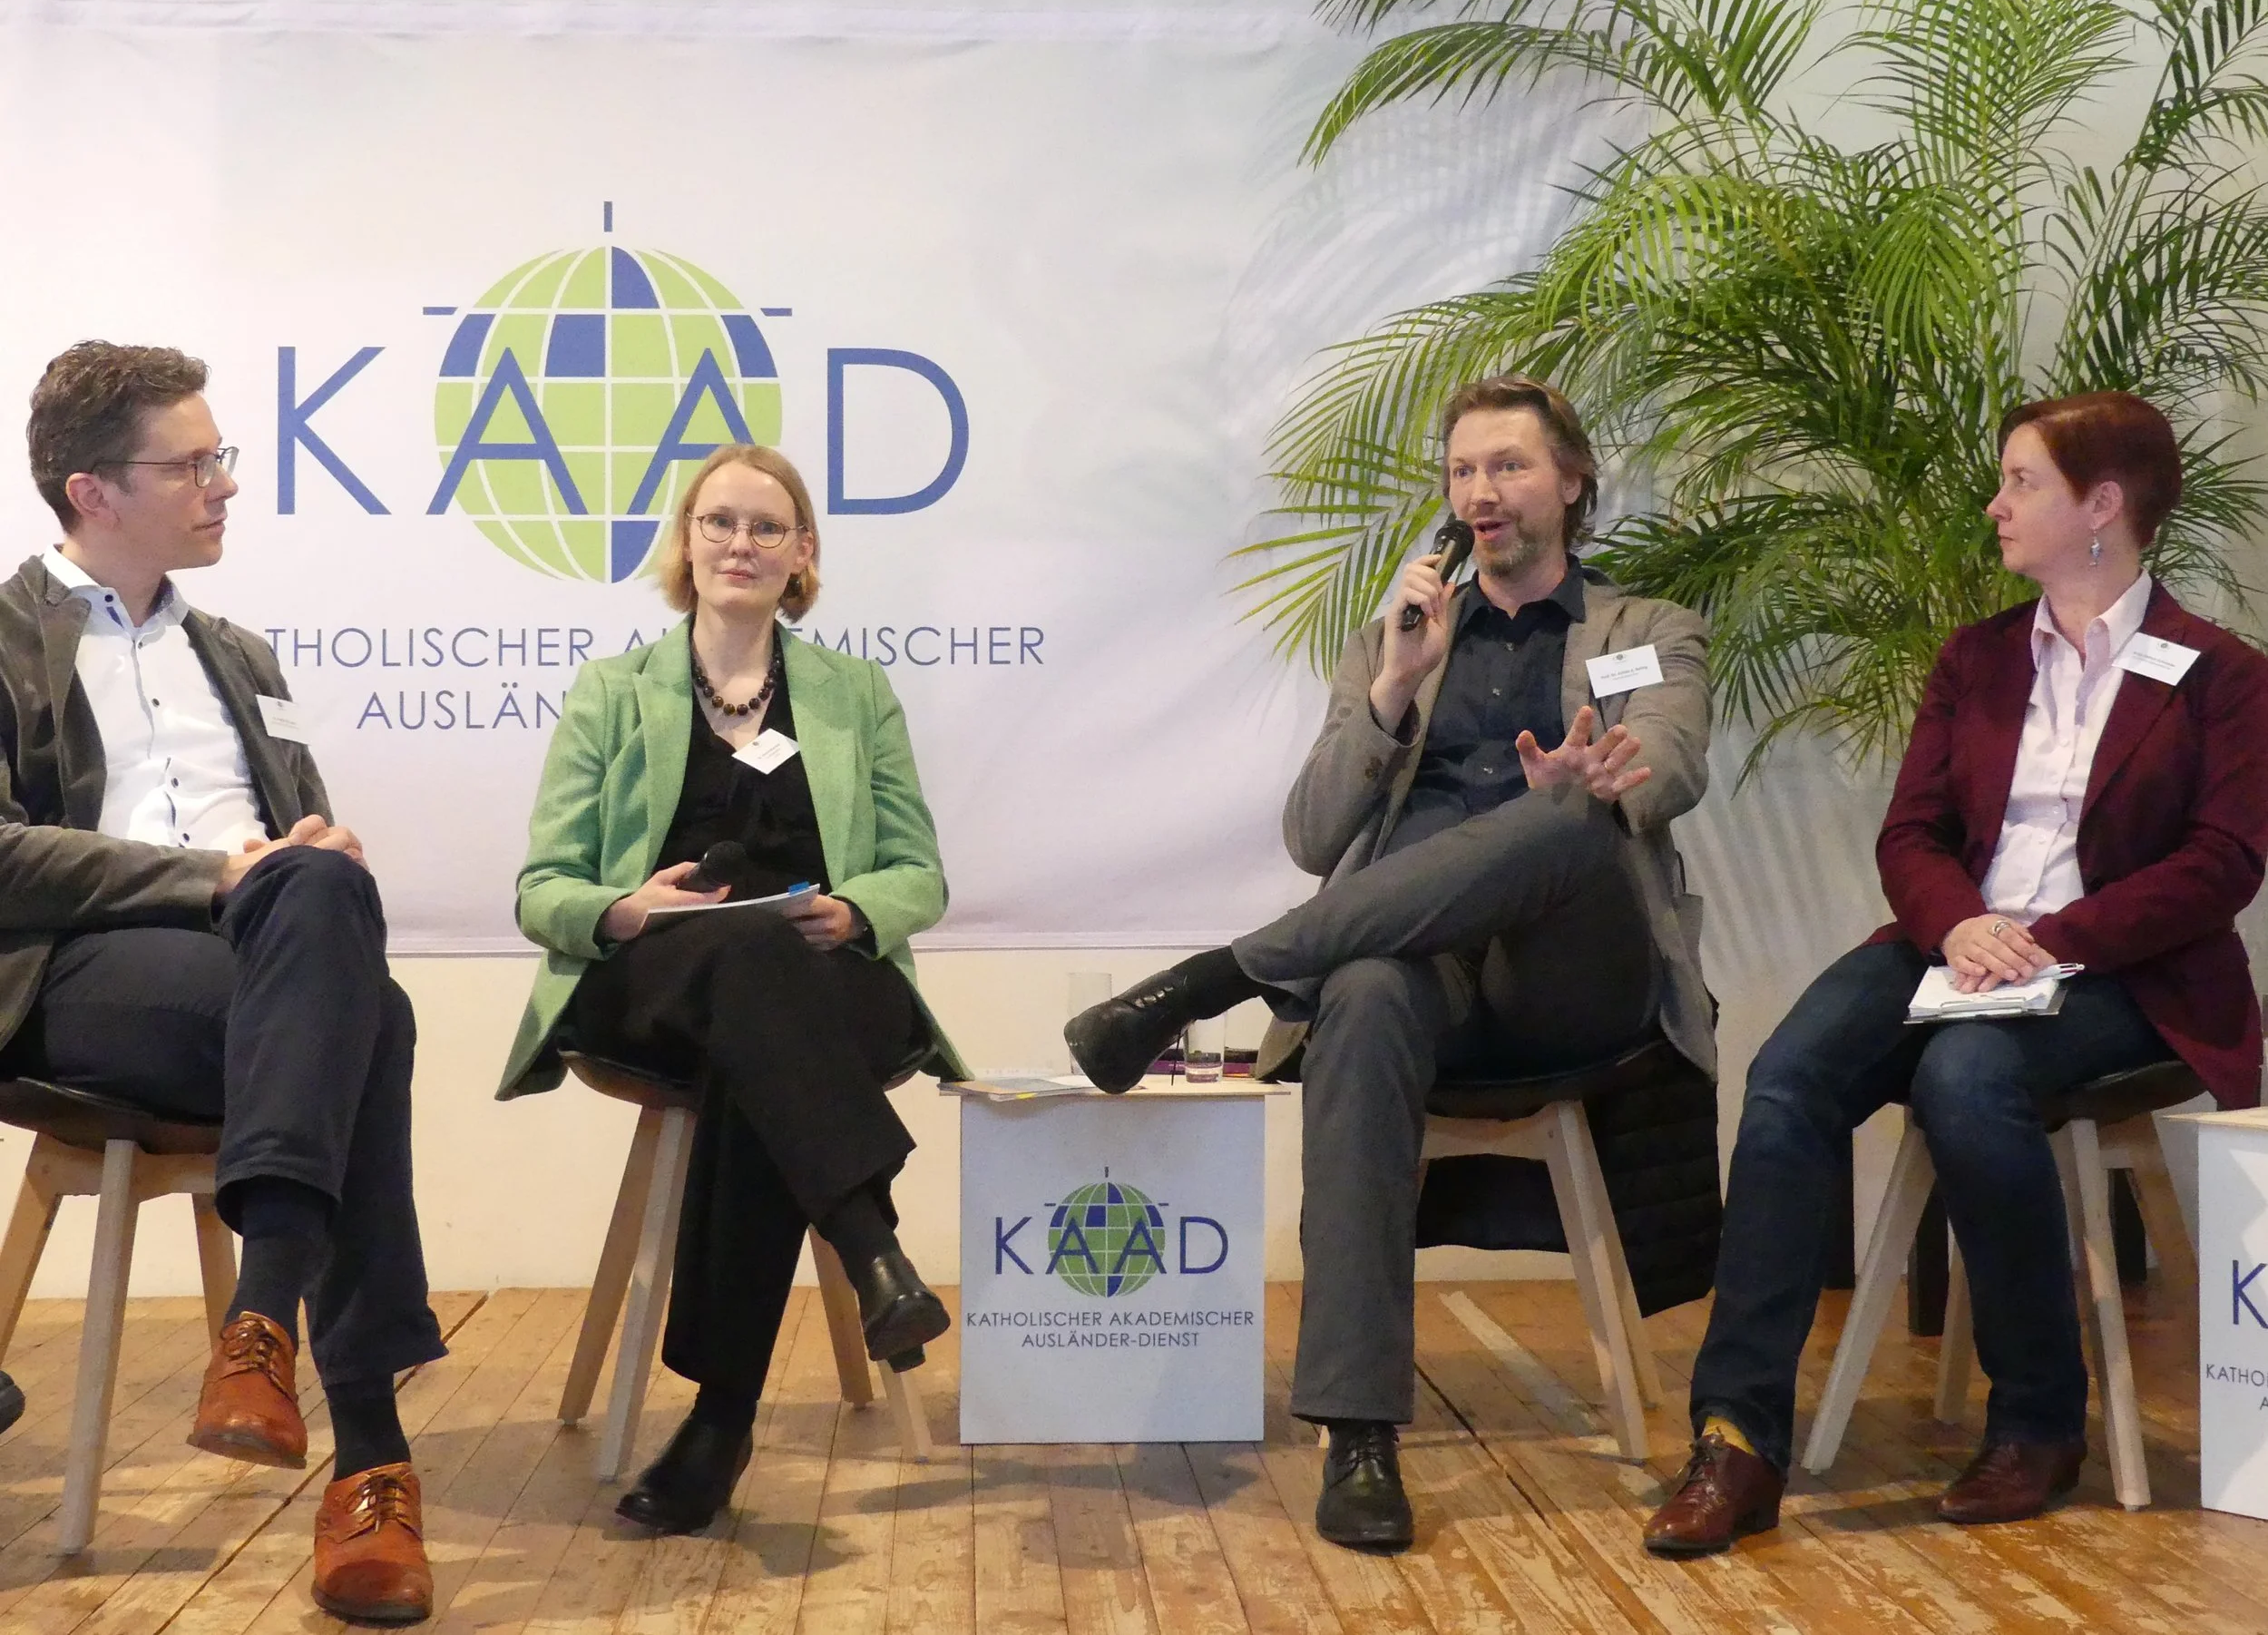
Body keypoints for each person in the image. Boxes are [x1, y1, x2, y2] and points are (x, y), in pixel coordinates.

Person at [1067, 376, 1713, 1552]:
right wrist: (1394, 686)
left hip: (1573, 970)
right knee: (1360, 992)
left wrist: (1600, 777)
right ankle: (1360, 1432)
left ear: (1571, 479)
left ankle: (1218, 977)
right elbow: (1315, 834)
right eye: (1463, 471)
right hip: (1422, 968)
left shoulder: (1645, 628)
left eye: (1508, 465)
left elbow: (1669, 764)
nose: (1481, 492)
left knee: (1566, 817)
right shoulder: (1393, 639)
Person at [1646, 390, 2268, 1555]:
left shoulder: (2219, 673)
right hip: (1956, 943)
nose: (1994, 504)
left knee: (1967, 1079)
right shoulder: (1976, 658)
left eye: (2021, 482)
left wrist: (2054, 937)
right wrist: (1963, 925)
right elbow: (1911, 833)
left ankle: (2037, 1422)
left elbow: (2221, 864)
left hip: (2125, 970)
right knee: (1786, 1077)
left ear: (2101, 505)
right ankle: (1736, 1440)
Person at [0, 342, 442, 1621]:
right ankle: (364, 1453)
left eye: (220, 458)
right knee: (373, 1019)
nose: (225, 485)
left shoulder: (242, 656)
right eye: (190, 465)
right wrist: (212, 874)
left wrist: (312, 851)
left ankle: (262, 1336)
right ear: (92, 491)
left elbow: (305, 850)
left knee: (337, 936)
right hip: (82, 980)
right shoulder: (7, 638)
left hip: (260, 973)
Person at [503, 443, 960, 1535]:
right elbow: (543, 888)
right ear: (686, 541)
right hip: (655, 976)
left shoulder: (853, 694)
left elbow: (918, 874)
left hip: (826, 972)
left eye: (766, 526)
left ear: (803, 552)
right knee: (746, 968)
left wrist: (854, 912)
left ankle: (721, 1423)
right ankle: (869, 1245)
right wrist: (628, 908)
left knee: (763, 1035)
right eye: (719, 522)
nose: (740, 544)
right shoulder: (613, 692)